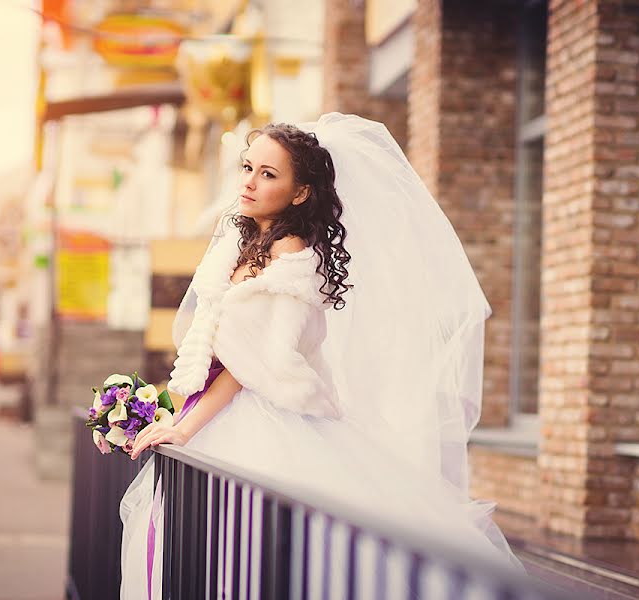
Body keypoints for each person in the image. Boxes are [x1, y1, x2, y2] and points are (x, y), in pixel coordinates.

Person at [119, 113, 523, 598]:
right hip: (230, 410)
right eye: (247, 167)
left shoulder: (288, 254)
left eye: (268, 174)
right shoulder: (246, 242)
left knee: (248, 559)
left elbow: (247, 369)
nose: (249, 182)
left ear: (300, 192)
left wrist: (183, 428)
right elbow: (220, 349)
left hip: (261, 418)